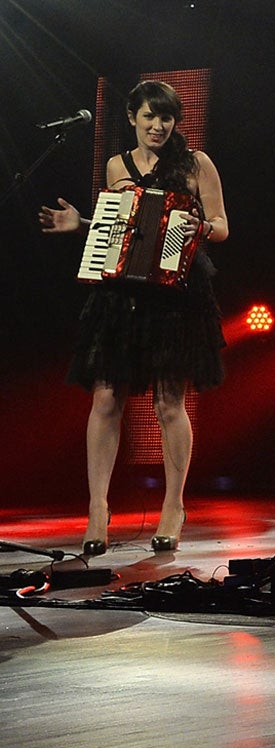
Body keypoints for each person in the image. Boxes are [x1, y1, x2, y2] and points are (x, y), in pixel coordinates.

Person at [38, 80, 228, 557]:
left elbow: (223, 226)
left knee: (169, 402)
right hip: (121, 293)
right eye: (149, 117)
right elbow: (119, 225)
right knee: (106, 397)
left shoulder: (196, 163)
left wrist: (198, 225)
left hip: (176, 292)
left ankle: (173, 505)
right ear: (132, 118)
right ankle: (98, 510)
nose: (158, 126)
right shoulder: (116, 165)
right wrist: (79, 223)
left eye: (166, 118)